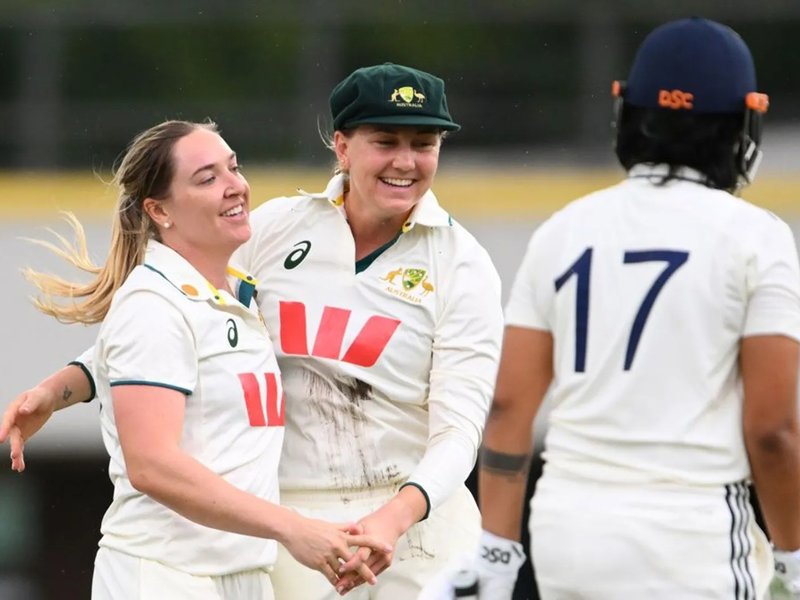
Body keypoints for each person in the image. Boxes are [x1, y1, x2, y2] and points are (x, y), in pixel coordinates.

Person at [1, 64, 504, 599]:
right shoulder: (276, 228)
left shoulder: (462, 265)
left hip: (415, 527)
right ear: (342, 146)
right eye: (385, 141)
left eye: (424, 143)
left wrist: (394, 517)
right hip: (291, 529)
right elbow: (179, 316)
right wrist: (62, 389)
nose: (405, 161)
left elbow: (460, 429)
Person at [425, 17, 800, 600]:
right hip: (690, 531)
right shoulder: (758, 237)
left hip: (566, 528)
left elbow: (506, 406)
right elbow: (772, 430)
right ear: (743, 122)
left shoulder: (563, 230)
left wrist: (497, 553)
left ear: (627, 112)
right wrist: (792, 557)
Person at [4, 119, 390, 599]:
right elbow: (152, 466)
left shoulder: (230, 290)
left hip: (240, 576)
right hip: (168, 576)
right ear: (159, 210)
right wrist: (293, 527)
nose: (236, 187)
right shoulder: (152, 306)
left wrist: (56, 391)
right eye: (207, 178)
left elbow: (123, 358)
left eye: (233, 168)